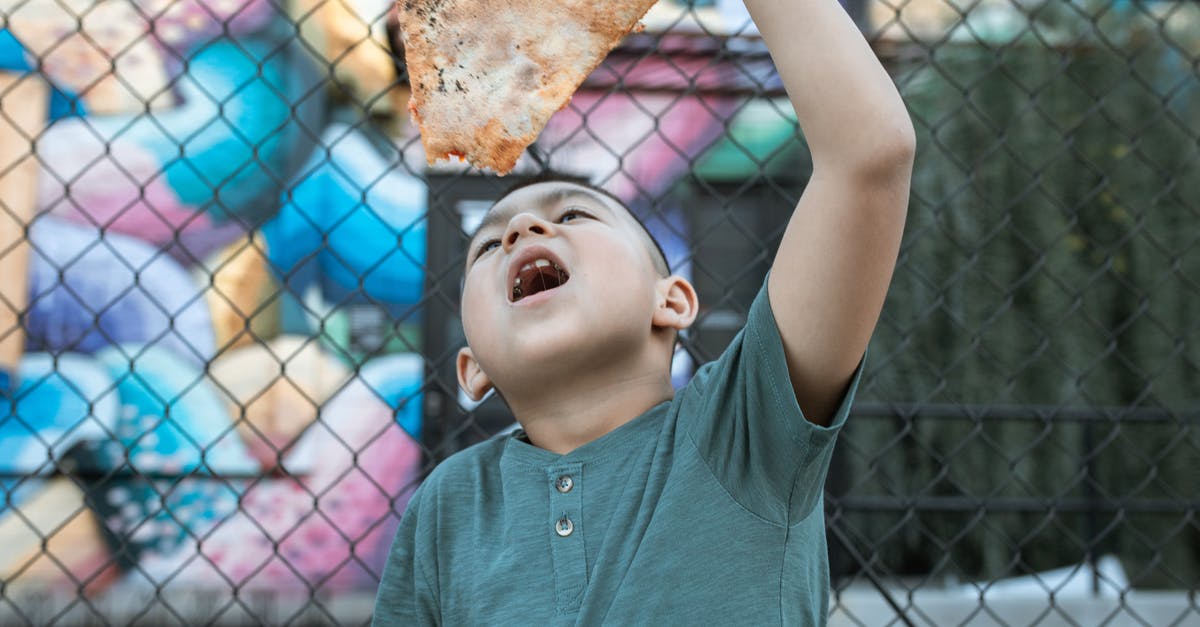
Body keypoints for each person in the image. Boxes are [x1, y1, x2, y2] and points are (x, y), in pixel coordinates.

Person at [373, 0, 914, 623]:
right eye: (489, 246)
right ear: (471, 368)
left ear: (673, 300)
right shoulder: (449, 504)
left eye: (573, 214)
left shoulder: (744, 428)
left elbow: (868, 157)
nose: (523, 227)